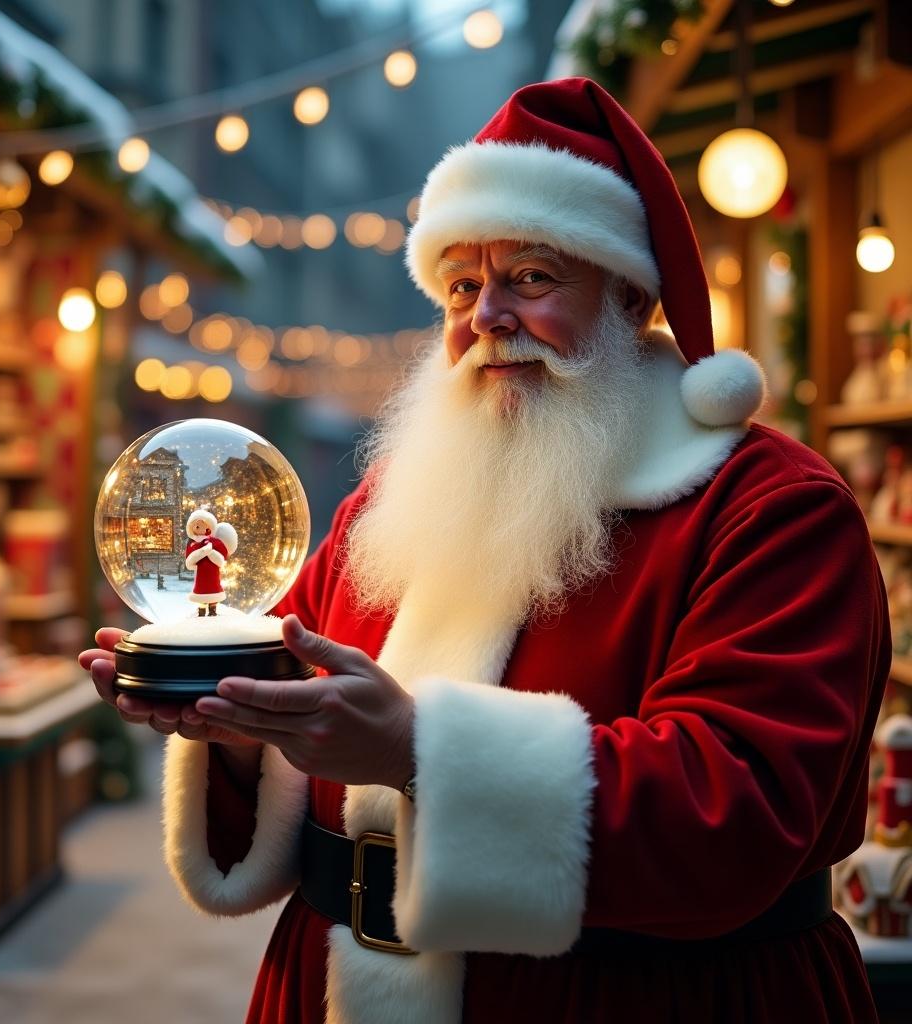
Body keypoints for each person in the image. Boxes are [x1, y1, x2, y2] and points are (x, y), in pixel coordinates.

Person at [80, 78, 889, 1024]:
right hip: (336, 983)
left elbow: (739, 806)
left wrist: (420, 752)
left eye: (533, 279)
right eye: (463, 286)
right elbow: (297, 683)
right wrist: (227, 717)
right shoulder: (391, 506)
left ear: (630, 295)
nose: (488, 317)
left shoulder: (770, 510)